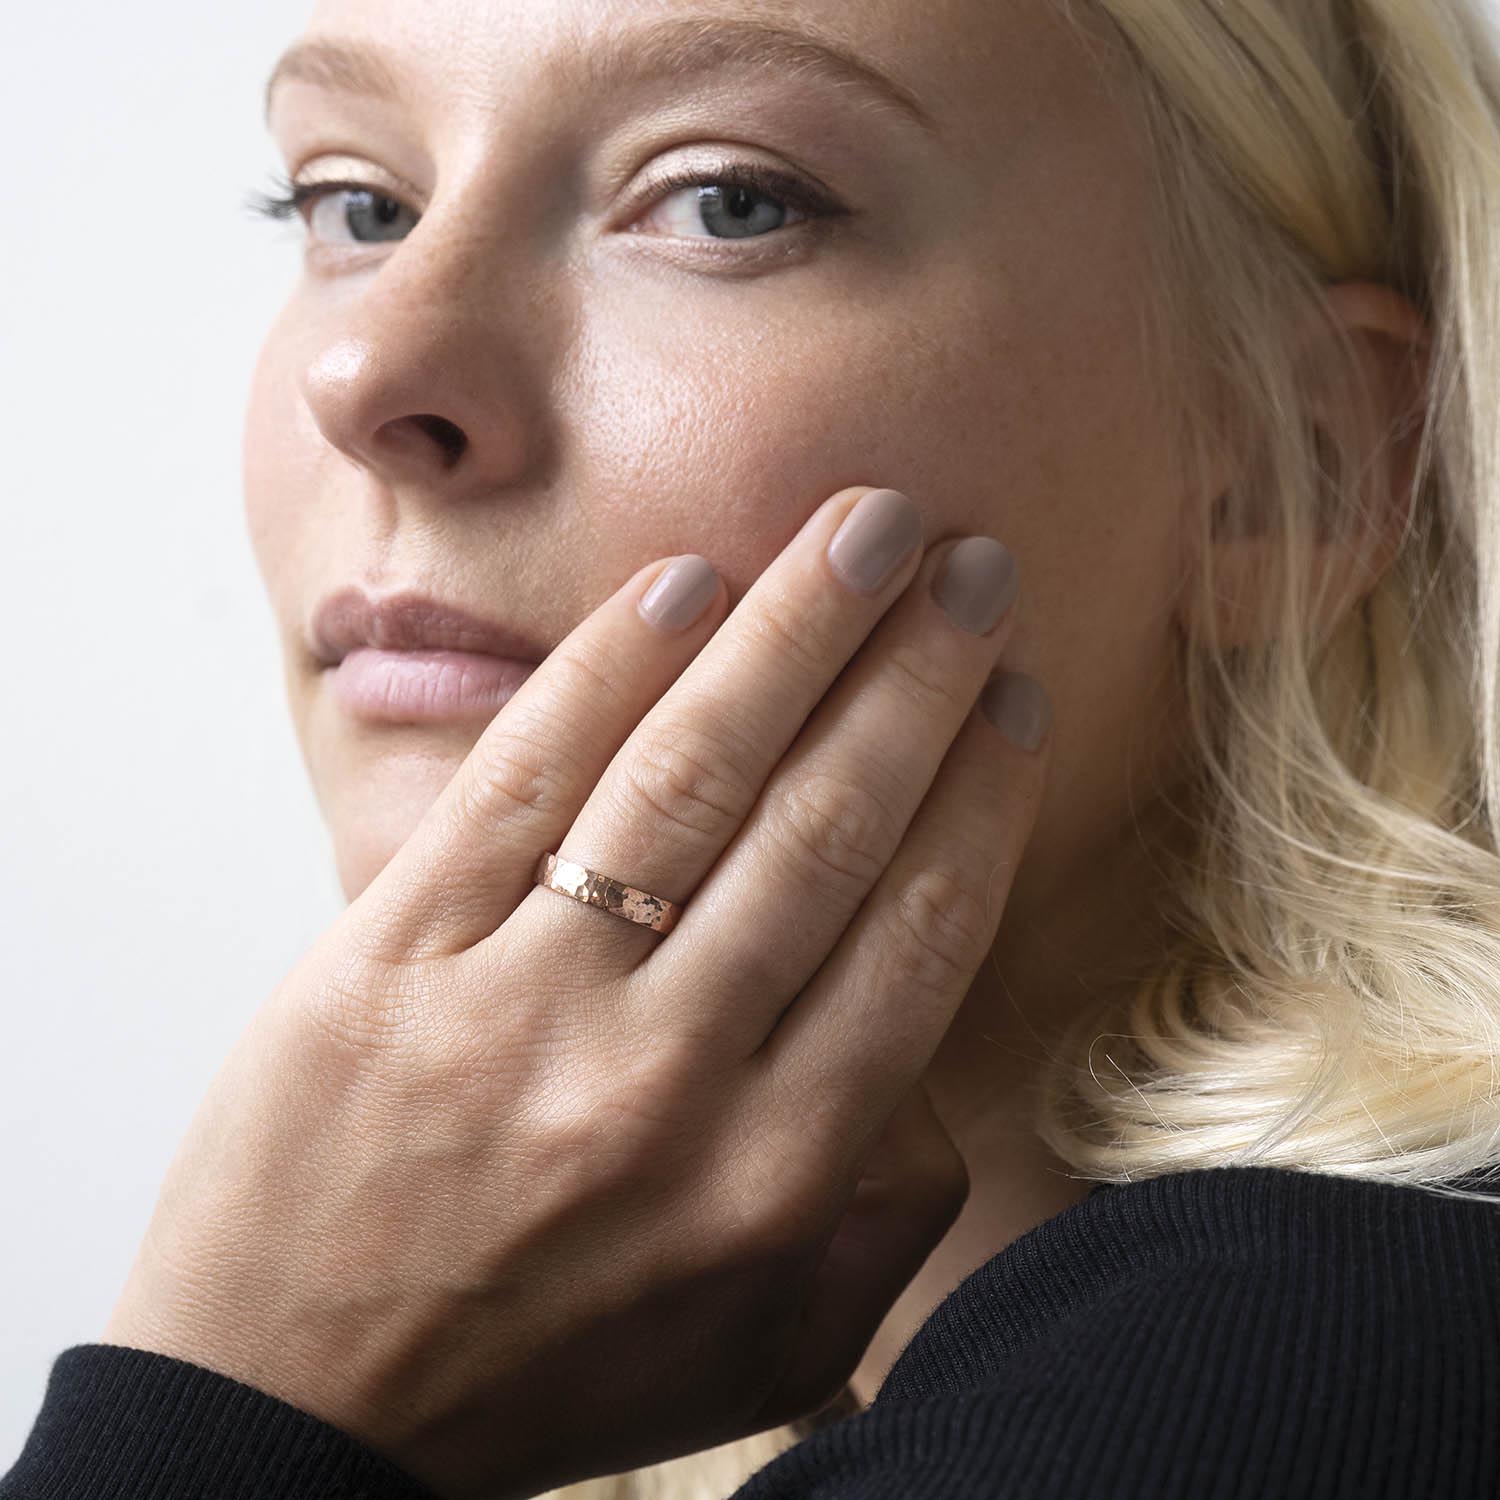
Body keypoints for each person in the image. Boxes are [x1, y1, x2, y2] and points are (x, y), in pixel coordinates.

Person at [6, 0, 1500, 1495]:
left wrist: (244, 1399)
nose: (369, 377)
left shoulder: (1308, 1376)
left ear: (1296, 473)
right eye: (358, 205)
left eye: (728, 201)